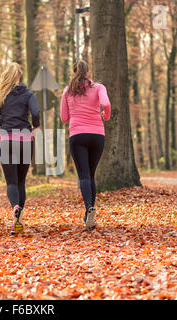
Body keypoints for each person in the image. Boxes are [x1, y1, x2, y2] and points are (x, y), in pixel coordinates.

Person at [60, 60, 111, 230]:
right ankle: (89, 213)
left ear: (74, 71)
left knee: (83, 176)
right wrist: (106, 115)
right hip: (97, 135)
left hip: (78, 135)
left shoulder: (68, 90)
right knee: (91, 174)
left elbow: (64, 117)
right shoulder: (98, 88)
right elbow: (106, 104)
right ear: (88, 71)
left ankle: (89, 208)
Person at [0, 63, 40, 235]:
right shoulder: (28, 94)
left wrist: (5, 118)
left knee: (11, 182)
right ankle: (18, 220)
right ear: (19, 76)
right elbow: (36, 112)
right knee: (21, 182)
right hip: (26, 140)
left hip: (6, 141)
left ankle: (15, 208)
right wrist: (35, 127)